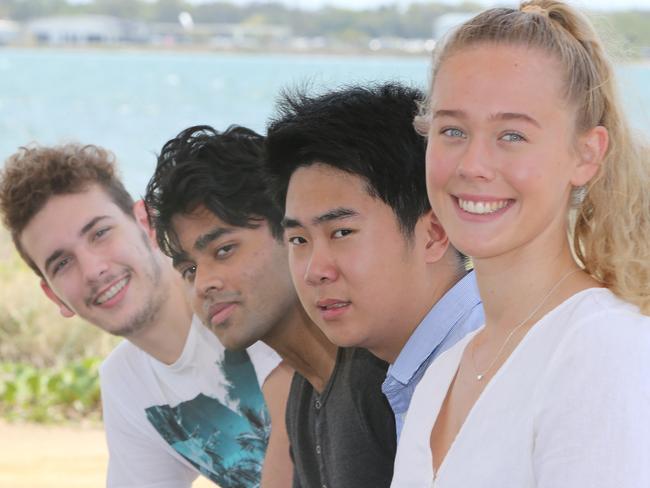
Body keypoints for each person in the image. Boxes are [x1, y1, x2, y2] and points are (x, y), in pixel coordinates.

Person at [391, 1, 650, 487]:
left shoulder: (601, 347)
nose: (473, 164)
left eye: (511, 134)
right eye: (452, 130)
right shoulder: (444, 372)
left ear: (587, 155)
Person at [0, 144, 291, 488]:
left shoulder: (240, 297)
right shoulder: (127, 383)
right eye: (62, 263)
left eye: (100, 233)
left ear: (146, 222)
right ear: (54, 296)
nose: (93, 270)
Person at [144, 124, 398, 488]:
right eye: (189, 270)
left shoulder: (380, 375)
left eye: (224, 250)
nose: (204, 284)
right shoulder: (303, 398)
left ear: (290, 229)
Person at [264, 82, 484, 444]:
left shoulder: (484, 367)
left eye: (342, 232)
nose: (315, 270)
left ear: (434, 232)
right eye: (299, 240)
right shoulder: (418, 371)